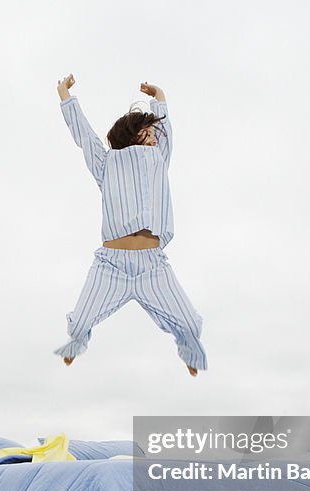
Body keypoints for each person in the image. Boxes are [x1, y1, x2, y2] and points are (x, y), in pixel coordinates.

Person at [54, 73, 207, 377]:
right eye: (148, 133)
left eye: (154, 134)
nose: (153, 138)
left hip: (152, 265)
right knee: (81, 321)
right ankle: (77, 341)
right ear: (132, 134)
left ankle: (188, 347)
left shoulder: (158, 158)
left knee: (190, 324)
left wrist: (159, 96)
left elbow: (166, 133)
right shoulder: (107, 163)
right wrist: (65, 96)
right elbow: (84, 137)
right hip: (112, 264)